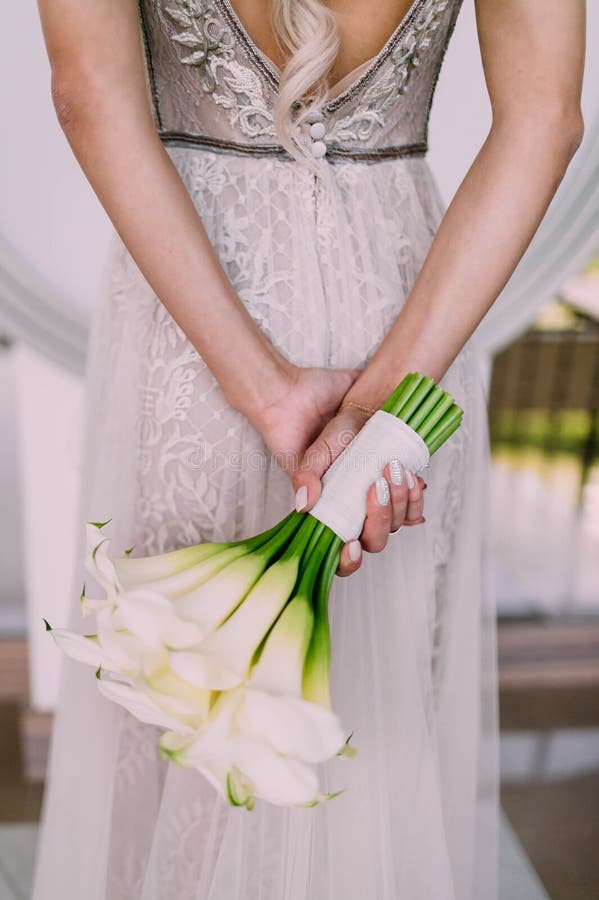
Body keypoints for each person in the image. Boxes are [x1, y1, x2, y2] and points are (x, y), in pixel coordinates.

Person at [32, 1, 585, 897]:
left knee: (180, 717)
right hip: (412, 303)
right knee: (374, 722)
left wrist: (263, 387)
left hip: (194, 319)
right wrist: (383, 411)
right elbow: (544, 118)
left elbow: (88, 95)